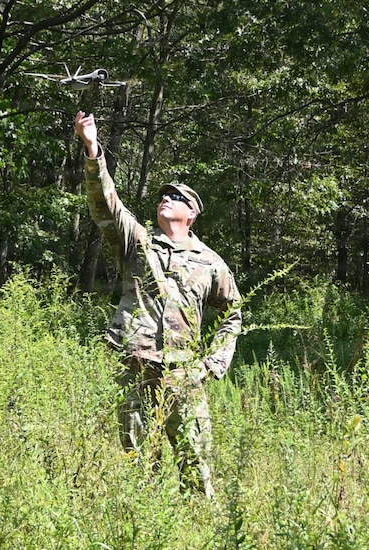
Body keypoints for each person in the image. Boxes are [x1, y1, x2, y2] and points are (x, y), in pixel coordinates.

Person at [74, 111, 242, 498]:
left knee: (195, 463)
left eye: (177, 197)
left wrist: (212, 364)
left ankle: (198, 528)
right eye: (164, 195)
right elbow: (106, 203)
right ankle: (143, 528)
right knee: (136, 463)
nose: (166, 198)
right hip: (135, 365)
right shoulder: (139, 244)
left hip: (185, 375)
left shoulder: (210, 262)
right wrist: (92, 148)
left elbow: (233, 313)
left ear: (192, 214)